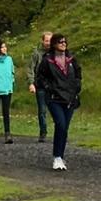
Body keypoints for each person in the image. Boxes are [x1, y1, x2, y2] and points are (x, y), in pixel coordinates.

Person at [33, 34, 82, 171]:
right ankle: (57, 157)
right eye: (60, 42)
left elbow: (78, 74)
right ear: (54, 44)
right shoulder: (47, 60)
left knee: (64, 127)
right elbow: (40, 78)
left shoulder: (72, 59)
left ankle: (61, 155)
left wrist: (77, 87)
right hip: (54, 98)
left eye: (65, 41)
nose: (63, 44)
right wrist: (49, 88)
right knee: (60, 124)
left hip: (69, 98)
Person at [27, 31, 54, 142]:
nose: (48, 43)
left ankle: (60, 132)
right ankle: (43, 132)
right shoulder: (37, 54)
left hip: (54, 87)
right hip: (41, 87)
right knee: (42, 110)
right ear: (42, 41)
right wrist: (31, 83)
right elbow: (30, 69)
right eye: (46, 40)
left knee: (56, 110)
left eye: (50, 40)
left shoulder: (57, 53)